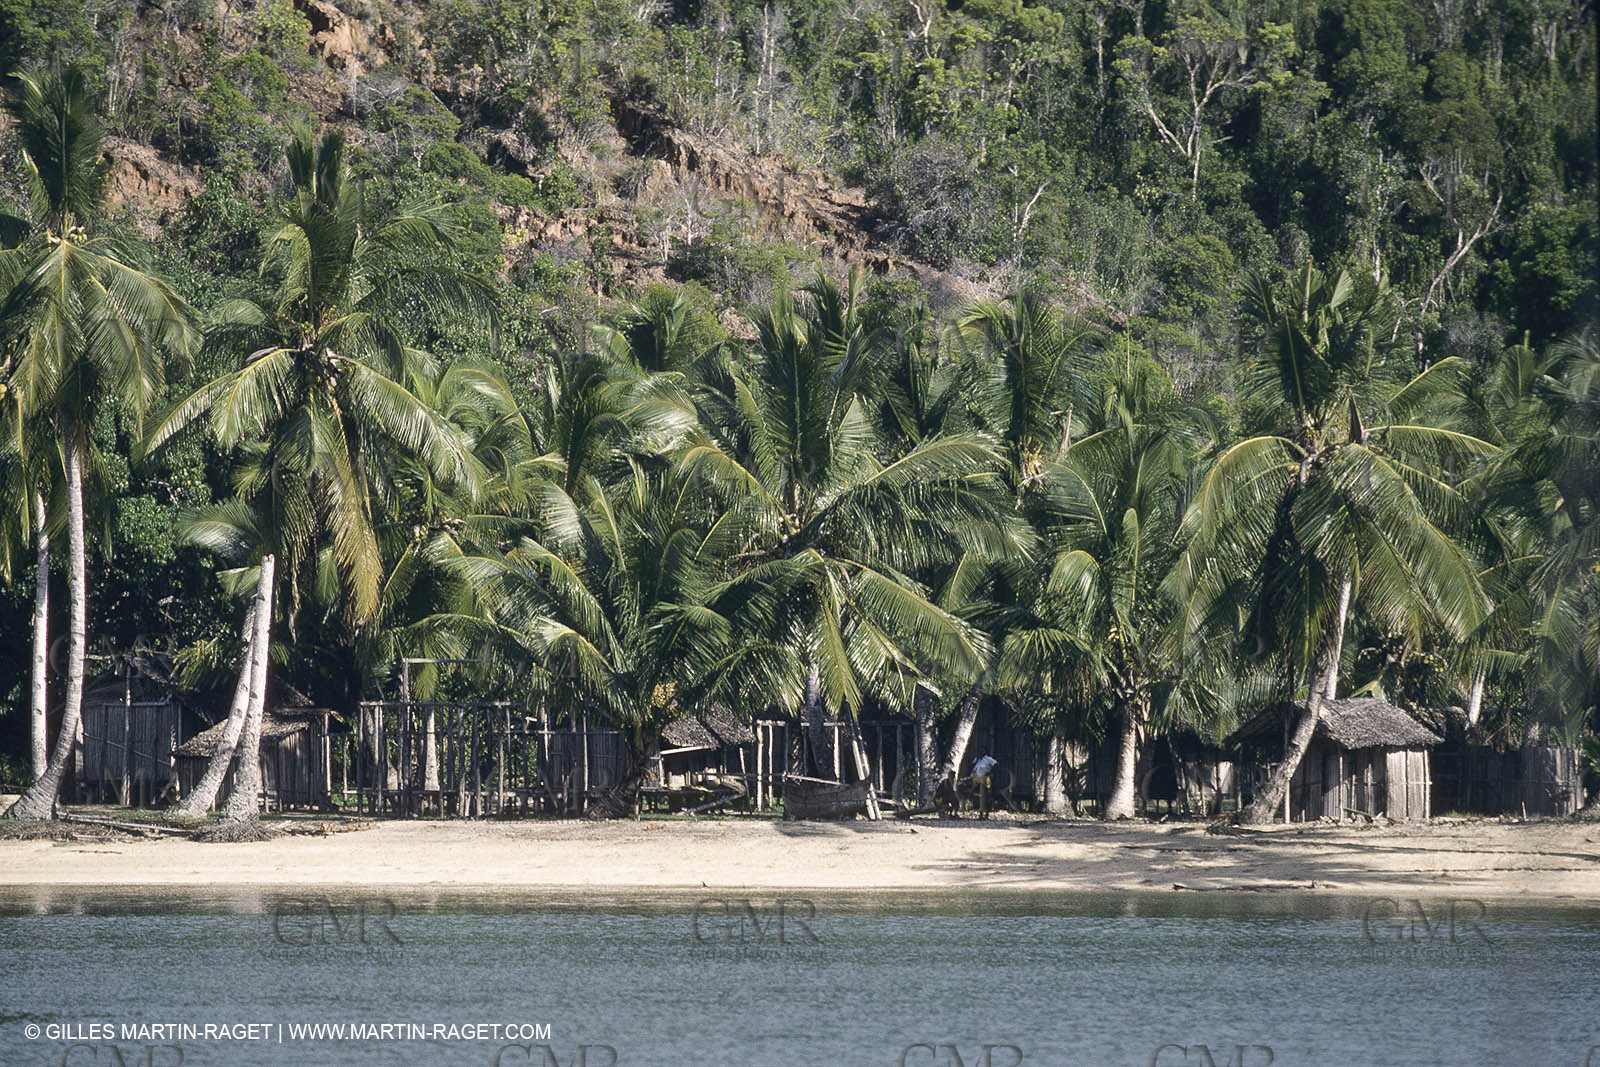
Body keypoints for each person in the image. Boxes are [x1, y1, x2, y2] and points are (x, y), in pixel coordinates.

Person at [972, 753, 998, 819]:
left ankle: (986, 814)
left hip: (985, 779)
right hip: (977, 779)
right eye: (979, 751)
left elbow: (996, 764)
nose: (980, 752)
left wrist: (990, 771)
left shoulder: (988, 759)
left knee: (987, 796)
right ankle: (980, 814)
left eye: (982, 751)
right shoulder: (976, 759)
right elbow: (971, 766)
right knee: (978, 797)